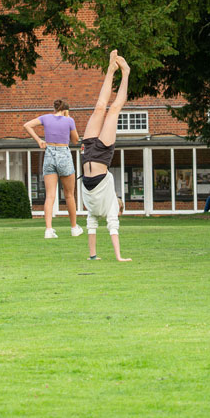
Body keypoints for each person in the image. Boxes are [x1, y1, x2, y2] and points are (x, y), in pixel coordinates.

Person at [79, 50, 132, 261]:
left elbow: (93, 227)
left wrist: (94, 256)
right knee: (112, 110)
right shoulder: (110, 204)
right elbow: (111, 228)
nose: (118, 207)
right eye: (119, 208)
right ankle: (123, 73)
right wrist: (119, 257)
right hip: (101, 156)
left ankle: (112, 71)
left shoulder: (99, 209)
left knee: (100, 109)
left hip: (87, 155)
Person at [23, 98, 82, 239]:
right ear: (66, 110)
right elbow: (75, 140)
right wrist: (68, 118)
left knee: (50, 195)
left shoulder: (45, 118)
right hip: (63, 154)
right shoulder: (69, 120)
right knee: (69, 194)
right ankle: (74, 228)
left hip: (49, 154)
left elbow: (27, 125)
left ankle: (48, 229)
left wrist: (39, 140)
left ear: (55, 109)